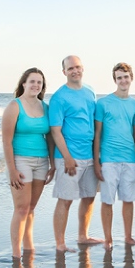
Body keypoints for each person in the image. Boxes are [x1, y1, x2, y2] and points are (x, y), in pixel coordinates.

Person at [2, 67, 56, 260]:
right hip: (20, 160)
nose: (36, 85)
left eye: (39, 82)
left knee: (31, 208)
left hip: (42, 162)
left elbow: (50, 138)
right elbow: (6, 141)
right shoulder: (14, 106)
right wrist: (12, 170)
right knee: (22, 208)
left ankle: (28, 247)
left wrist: (52, 164)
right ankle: (16, 253)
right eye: (32, 81)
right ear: (24, 83)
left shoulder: (45, 107)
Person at [49, 55, 101, 252]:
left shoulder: (90, 91)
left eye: (77, 67)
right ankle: (60, 244)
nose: (75, 71)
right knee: (66, 199)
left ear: (83, 68)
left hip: (89, 155)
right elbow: (55, 131)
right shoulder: (59, 97)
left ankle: (83, 236)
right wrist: (68, 158)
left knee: (89, 197)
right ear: (64, 72)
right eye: (70, 68)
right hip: (68, 157)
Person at [93, 62, 135, 250]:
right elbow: (97, 133)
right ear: (115, 80)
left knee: (129, 200)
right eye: (119, 77)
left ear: (131, 78)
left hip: (130, 159)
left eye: (126, 77)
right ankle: (108, 239)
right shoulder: (103, 103)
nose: (123, 80)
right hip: (108, 159)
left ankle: (128, 237)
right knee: (107, 200)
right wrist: (97, 161)